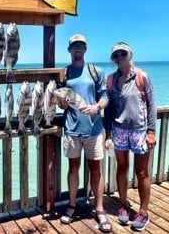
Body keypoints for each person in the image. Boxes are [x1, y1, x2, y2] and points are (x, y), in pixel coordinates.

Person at [57, 34, 112, 233]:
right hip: (72, 129)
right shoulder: (65, 73)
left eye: (81, 46)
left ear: (85, 50)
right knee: (73, 168)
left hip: (95, 130)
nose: (77, 49)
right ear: (69, 50)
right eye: (74, 46)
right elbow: (60, 99)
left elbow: (105, 96)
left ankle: (99, 209)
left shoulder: (95, 71)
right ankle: (72, 205)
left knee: (96, 170)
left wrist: (97, 107)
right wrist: (61, 103)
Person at [104, 42, 157, 231]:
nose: (119, 57)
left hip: (140, 131)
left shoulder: (142, 77)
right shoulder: (110, 80)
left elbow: (152, 104)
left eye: (122, 54)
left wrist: (151, 131)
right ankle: (123, 204)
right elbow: (109, 109)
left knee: (141, 172)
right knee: (122, 168)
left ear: (130, 55)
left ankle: (143, 212)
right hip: (118, 130)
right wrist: (108, 133)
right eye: (115, 55)